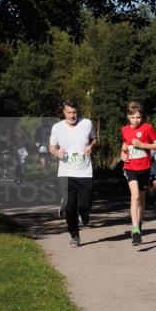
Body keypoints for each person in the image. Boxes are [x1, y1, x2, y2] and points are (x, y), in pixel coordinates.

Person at [49, 99, 97, 248]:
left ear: (78, 111)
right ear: (63, 112)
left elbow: (94, 139)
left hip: (85, 172)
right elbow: (51, 147)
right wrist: (56, 152)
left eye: (74, 112)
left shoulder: (87, 123)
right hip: (66, 172)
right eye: (69, 112)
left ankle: (84, 212)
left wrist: (91, 146)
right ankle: (74, 235)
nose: (72, 115)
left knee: (84, 204)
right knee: (70, 207)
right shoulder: (57, 128)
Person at [120, 101, 156, 246]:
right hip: (130, 166)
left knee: (142, 199)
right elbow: (125, 146)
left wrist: (142, 145)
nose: (136, 120)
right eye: (133, 118)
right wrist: (122, 154)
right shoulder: (124, 130)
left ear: (142, 116)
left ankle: (140, 220)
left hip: (144, 168)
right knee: (135, 196)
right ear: (128, 117)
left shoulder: (147, 128)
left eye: (138, 117)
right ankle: (135, 230)